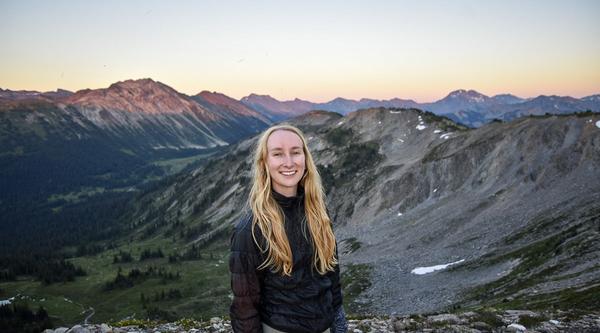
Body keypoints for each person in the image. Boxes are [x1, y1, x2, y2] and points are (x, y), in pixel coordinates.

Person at [229, 124, 348, 333]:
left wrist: (338, 322)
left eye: (295, 152)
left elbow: (331, 273)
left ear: (305, 159)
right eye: (277, 154)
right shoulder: (250, 229)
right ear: (264, 163)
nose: (289, 162)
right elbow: (244, 307)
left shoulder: (319, 214)